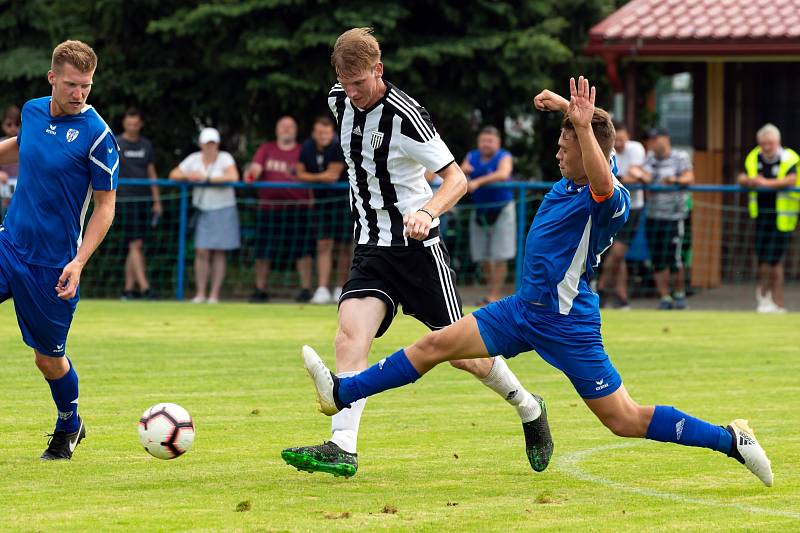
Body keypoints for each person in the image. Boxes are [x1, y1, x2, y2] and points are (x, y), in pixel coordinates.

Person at [300, 77, 774, 487]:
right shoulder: (570, 181)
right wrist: (570, 112)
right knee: (434, 346)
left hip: (568, 326)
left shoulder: (607, 199)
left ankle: (731, 439)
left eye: (566, 149)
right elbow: (596, 139)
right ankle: (342, 392)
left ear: (591, 154)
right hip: (522, 312)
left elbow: (602, 175)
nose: (557, 153)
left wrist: (582, 127)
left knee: (624, 419)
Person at [282, 27, 548, 478]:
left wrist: (427, 211)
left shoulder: (406, 116)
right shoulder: (337, 101)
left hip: (418, 250)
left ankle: (528, 407)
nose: (354, 94)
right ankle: (343, 446)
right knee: (349, 337)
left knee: (466, 355)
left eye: (361, 84)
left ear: (378, 70)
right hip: (371, 246)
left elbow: (456, 179)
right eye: (346, 85)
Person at [0, 40, 119, 459]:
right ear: (52, 78)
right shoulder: (33, 110)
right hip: (8, 243)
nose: (79, 94)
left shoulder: (98, 135)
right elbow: (22, 143)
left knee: (48, 361)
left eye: (86, 85)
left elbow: (105, 208)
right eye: (71, 84)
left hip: (53, 265)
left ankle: (70, 422)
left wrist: (79, 261)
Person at [244, 116, 313, 303]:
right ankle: (260, 289)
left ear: (296, 130)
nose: (286, 129)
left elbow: (312, 175)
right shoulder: (266, 149)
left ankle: (306, 289)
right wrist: (252, 174)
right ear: (276, 129)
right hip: (269, 208)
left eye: (290, 126)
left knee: (303, 250)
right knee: (263, 250)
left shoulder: (303, 151)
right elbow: (254, 170)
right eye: (283, 126)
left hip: (297, 209)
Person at [169, 127, 240, 304]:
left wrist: (208, 180)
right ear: (201, 144)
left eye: (213, 144)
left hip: (223, 208)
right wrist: (190, 175)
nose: (210, 147)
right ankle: (201, 293)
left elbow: (233, 176)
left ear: (217, 144)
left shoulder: (225, 158)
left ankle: (214, 295)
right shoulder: (194, 159)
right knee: (201, 251)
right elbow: (174, 174)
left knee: (219, 252)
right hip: (203, 209)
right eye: (207, 143)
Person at [737, 124, 798, 313]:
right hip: (761, 216)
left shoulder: (790, 158)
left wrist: (765, 183)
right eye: (763, 144)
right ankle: (764, 299)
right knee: (763, 258)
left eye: (770, 143)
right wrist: (748, 181)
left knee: (776, 260)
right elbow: (741, 176)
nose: (766, 147)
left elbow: (791, 180)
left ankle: (778, 302)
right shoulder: (753, 157)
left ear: (777, 142)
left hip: (783, 218)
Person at [295, 116, 351, 305]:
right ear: (314, 133)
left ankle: (340, 287)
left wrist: (309, 177)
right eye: (319, 132)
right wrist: (319, 176)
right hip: (320, 204)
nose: (323, 136)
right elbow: (299, 173)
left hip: (343, 202)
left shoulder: (339, 146)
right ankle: (322, 288)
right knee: (323, 244)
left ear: (332, 133)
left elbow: (332, 176)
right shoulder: (307, 147)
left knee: (344, 246)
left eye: (326, 133)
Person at [597, 121, 647, 309]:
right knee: (616, 255)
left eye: (623, 139)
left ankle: (601, 289)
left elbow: (636, 176)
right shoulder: (605, 148)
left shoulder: (636, 149)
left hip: (632, 207)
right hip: (610, 206)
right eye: (616, 140)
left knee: (617, 253)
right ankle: (621, 296)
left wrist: (615, 179)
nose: (619, 144)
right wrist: (623, 178)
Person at [642, 128, 694, 310]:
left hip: (675, 216)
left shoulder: (680, 156)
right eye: (651, 139)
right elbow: (644, 175)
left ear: (666, 139)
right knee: (657, 259)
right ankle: (665, 297)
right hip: (653, 215)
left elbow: (689, 177)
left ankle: (679, 294)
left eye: (657, 139)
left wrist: (674, 180)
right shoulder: (649, 158)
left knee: (675, 258)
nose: (654, 142)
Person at [462, 126, 515, 304]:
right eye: (483, 140)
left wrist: (477, 182)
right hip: (480, 211)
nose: (486, 144)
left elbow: (503, 174)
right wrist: (464, 172)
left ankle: (494, 295)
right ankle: (490, 292)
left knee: (500, 255)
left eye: (490, 141)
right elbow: (459, 174)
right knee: (482, 256)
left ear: (498, 143)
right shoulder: (471, 156)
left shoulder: (504, 156)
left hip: (502, 209)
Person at [116, 107, 161, 300]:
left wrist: (157, 201)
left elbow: (151, 173)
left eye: (136, 123)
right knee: (135, 244)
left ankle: (128, 289)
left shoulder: (146, 145)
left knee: (135, 246)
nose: (132, 127)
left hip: (144, 200)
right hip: (125, 200)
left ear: (140, 125)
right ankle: (145, 288)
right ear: (124, 123)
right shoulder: (116, 143)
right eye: (129, 123)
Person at [0, 105, 20, 216]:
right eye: (9, 124)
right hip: (4, 196)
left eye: (16, 124)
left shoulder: (26, 145)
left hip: (20, 195)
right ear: (3, 125)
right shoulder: (1, 144)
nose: (12, 128)